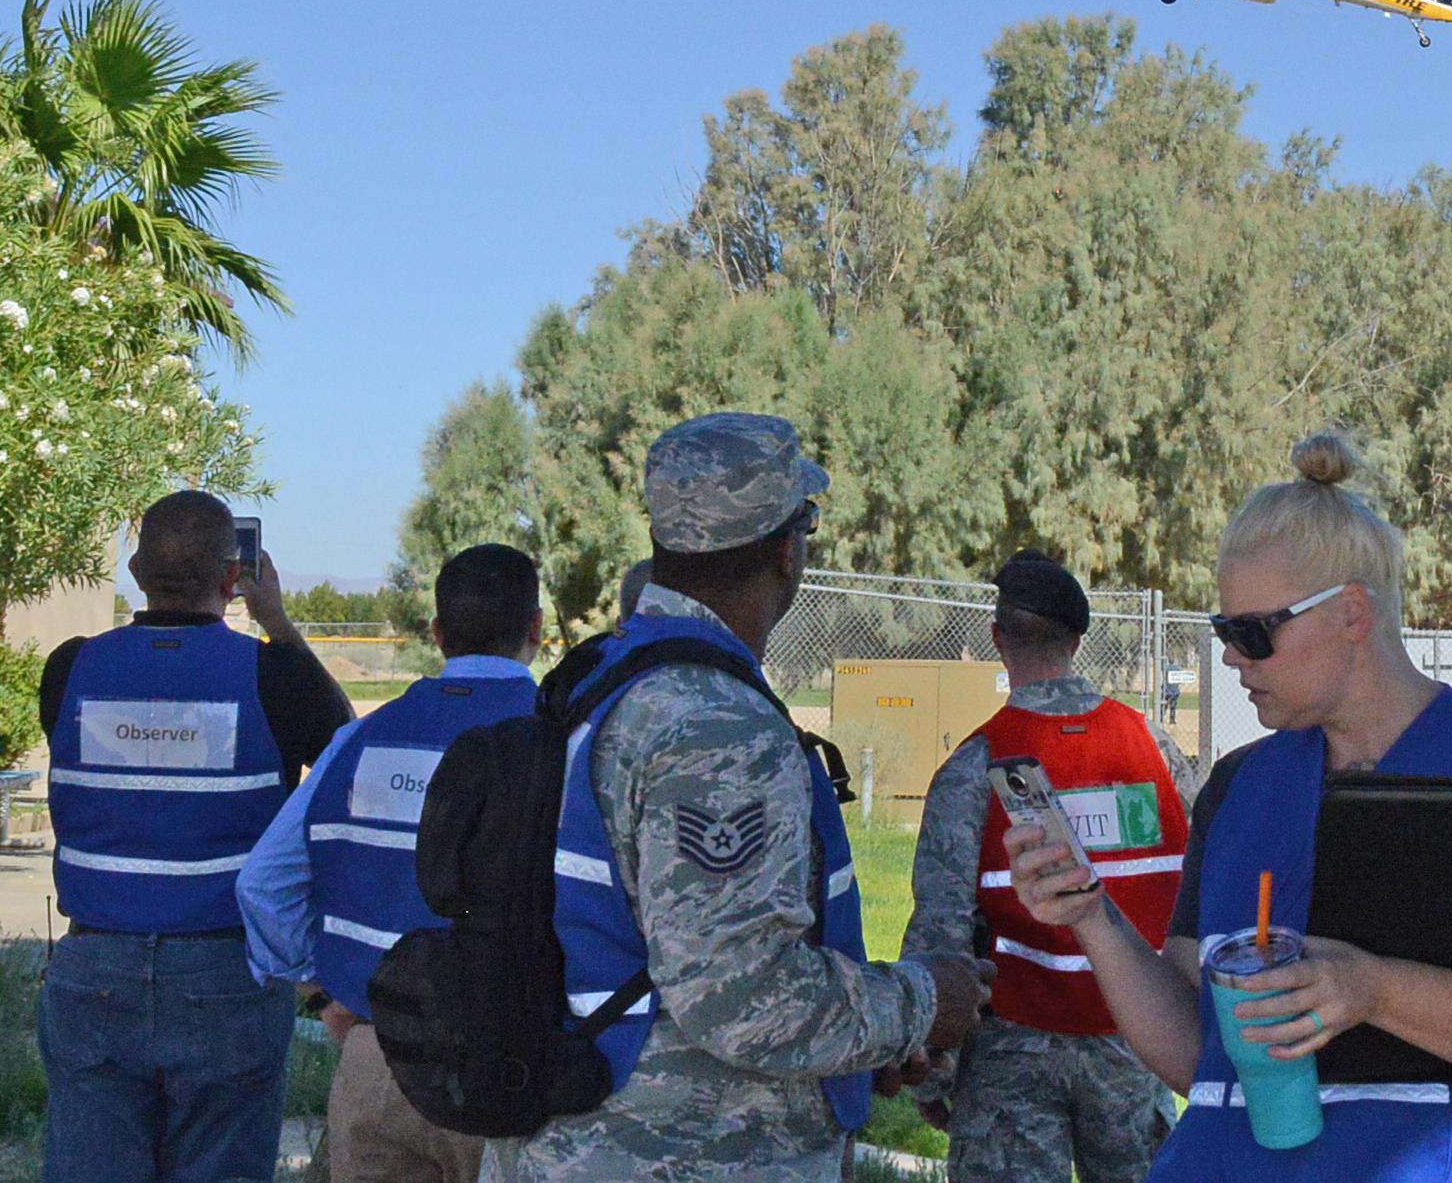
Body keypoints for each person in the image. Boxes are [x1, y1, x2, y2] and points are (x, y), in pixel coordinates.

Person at [1006, 433, 1452, 1183]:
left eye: (1252, 633)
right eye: (1222, 631)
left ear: (1350, 614)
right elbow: (1199, 1060)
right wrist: (1092, 916)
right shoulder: (1239, 787)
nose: (1232, 657)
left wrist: (1370, 989)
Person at [485, 412, 992, 1183]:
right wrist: (924, 1002)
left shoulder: (600, 679)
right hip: (683, 1154)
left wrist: (864, 1044)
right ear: (789, 549)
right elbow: (743, 995)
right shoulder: (714, 724)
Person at [37, 490, 354, 1183]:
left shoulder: (70, 669)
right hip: (228, 976)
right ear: (232, 577)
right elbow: (343, 743)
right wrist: (275, 620)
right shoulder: (272, 674)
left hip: (95, 970)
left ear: (136, 570)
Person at [236, 543, 546, 1183]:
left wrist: (321, 987)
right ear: (537, 631)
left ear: (436, 633)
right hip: (518, 1069)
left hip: (379, 1059)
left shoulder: (361, 738)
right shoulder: (566, 739)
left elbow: (262, 884)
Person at [903, 549, 1199, 1183]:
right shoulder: (1155, 751)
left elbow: (940, 933)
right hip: (1139, 1038)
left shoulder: (974, 768)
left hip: (1010, 1050)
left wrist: (931, 1066)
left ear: (997, 639)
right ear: (1078, 639)